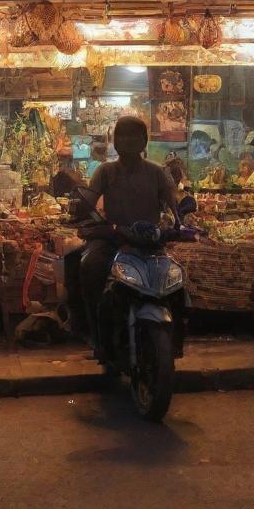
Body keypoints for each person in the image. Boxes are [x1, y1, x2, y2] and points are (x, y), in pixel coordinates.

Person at [77, 116, 178, 353]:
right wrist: (83, 209)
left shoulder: (157, 173)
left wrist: (177, 224)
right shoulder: (106, 171)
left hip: (150, 243)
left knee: (177, 280)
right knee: (89, 265)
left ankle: (176, 335)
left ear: (144, 141)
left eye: (135, 135)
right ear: (115, 141)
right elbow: (89, 201)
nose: (129, 141)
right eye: (123, 135)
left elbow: (173, 207)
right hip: (114, 240)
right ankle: (97, 335)